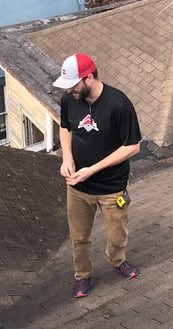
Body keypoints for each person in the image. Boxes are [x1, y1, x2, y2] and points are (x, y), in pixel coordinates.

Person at [54, 53, 142, 298]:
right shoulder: (68, 99)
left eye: (73, 84)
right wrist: (67, 158)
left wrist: (91, 170)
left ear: (89, 78)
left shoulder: (119, 104)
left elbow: (133, 146)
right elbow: (65, 128)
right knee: (78, 238)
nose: (70, 90)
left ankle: (117, 260)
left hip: (112, 188)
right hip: (78, 188)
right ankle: (82, 276)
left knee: (116, 235)